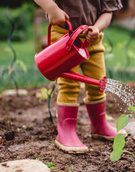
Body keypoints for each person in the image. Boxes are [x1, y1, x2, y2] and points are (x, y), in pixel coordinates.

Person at [34, 0, 126, 154]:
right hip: (65, 37)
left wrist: (97, 28)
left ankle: (99, 125)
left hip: (92, 40)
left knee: (98, 83)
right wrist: (52, 9)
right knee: (69, 85)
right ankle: (66, 131)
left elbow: (107, 11)